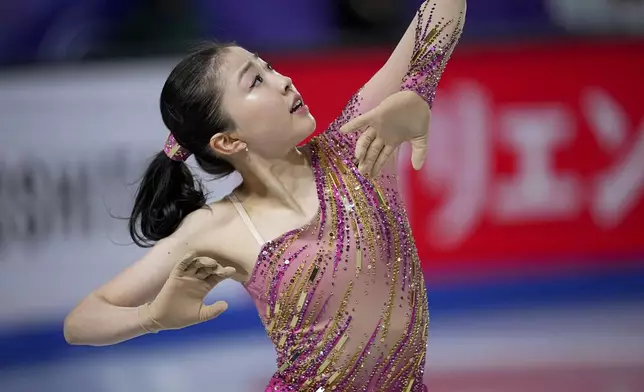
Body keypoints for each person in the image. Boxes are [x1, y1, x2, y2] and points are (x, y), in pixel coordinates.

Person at [63, 0, 466, 390]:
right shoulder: (216, 227)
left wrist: (418, 89)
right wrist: (151, 317)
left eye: (268, 67)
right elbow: (80, 323)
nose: (283, 79)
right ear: (227, 140)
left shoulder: (357, 144)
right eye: (256, 80)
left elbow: (444, 5)